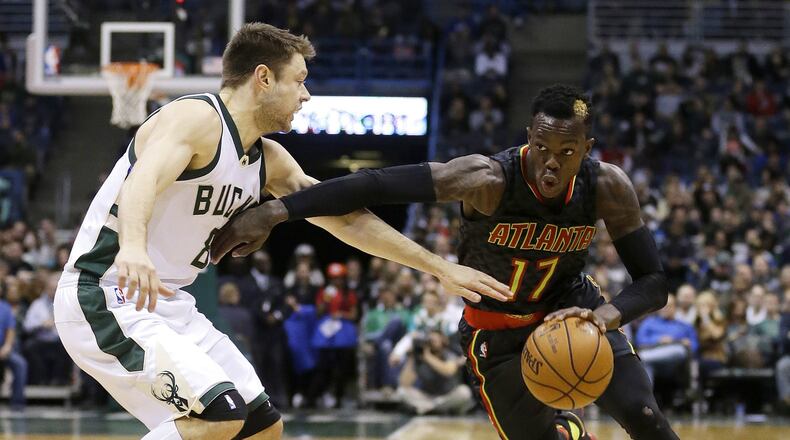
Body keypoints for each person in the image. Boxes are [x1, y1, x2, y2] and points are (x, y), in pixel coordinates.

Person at [55, 22, 510, 440]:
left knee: (261, 428)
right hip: (107, 291)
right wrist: (133, 246)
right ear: (264, 78)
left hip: (170, 305)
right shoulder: (196, 119)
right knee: (221, 416)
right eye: (300, 80)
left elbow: (348, 217)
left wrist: (439, 268)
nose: (306, 95)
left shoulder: (269, 160)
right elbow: (143, 180)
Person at [212, 85, 680, 439]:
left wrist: (603, 317)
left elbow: (654, 281)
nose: (551, 164)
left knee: (646, 418)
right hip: (497, 335)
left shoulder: (609, 187)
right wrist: (278, 210)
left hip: (574, 316)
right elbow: (373, 184)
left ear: (587, 148)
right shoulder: (486, 179)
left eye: (566, 152)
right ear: (529, 138)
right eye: (542, 148)